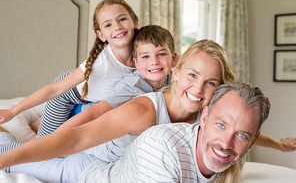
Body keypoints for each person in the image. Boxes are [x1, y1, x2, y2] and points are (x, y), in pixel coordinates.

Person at [0, 39, 236, 182]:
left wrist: (274, 145)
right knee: (12, 158)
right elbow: (76, 139)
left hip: (113, 166)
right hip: (88, 156)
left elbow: (240, 132)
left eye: (211, 82)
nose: (198, 88)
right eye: (192, 75)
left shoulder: (204, 117)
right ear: (176, 72)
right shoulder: (144, 109)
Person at [0, 0, 139, 151]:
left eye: (122, 19)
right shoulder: (102, 64)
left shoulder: (146, 51)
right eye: (108, 25)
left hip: (91, 98)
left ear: (135, 22)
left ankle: (38, 123)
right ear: (101, 35)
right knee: (42, 148)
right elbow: (55, 89)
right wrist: (12, 112)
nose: (117, 27)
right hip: (66, 94)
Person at [79, 82, 271, 183]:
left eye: (242, 135)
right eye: (221, 125)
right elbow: (77, 139)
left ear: (252, 141)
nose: (226, 143)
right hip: (86, 169)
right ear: (204, 118)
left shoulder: (227, 168)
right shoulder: (161, 146)